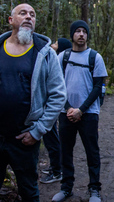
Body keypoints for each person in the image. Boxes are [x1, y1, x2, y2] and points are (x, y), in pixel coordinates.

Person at [0, 3, 67, 202]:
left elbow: (58, 95)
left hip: (25, 139)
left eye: (32, 14)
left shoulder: (45, 54)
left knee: (29, 193)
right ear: (11, 20)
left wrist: (38, 131)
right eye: (23, 13)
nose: (29, 17)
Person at [52, 20, 108, 202]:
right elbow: (57, 85)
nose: (81, 34)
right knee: (65, 151)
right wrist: (68, 108)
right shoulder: (63, 57)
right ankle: (66, 187)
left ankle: (94, 190)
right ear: (72, 35)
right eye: (78, 31)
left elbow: (98, 86)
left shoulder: (95, 57)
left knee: (92, 151)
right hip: (65, 112)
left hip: (89, 113)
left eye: (84, 31)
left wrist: (81, 110)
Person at [40, 38, 73, 184]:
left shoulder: (59, 64)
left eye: (56, 44)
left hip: (52, 107)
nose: (52, 45)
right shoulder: (55, 61)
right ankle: (55, 166)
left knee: (51, 138)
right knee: (50, 138)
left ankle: (57, 171)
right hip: (48, 105)